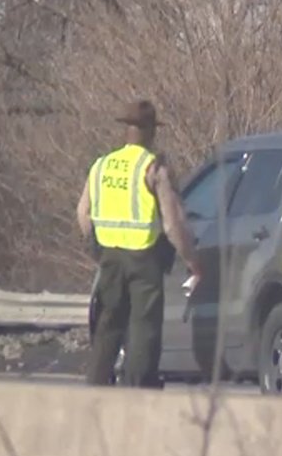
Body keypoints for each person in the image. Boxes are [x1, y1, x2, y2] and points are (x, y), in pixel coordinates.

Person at [76, 99, 200, 387]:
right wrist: (192, 260)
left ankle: (94, 388)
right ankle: (137, 390)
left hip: (110, 258)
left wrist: (98, 247)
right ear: (151, 131)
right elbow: (172, 224)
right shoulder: (153, 168)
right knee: (144, 329)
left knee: (108, 327)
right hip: (144, 259)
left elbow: (83, 213)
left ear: (126, 130)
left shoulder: (101, 165)